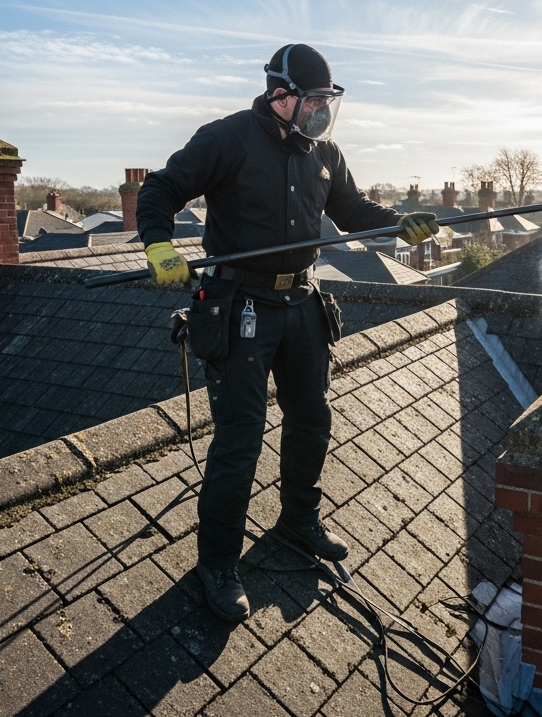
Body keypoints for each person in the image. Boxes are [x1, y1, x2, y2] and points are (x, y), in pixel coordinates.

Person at [135, 44, 439, 623]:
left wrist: (400, 224)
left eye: (328, 100)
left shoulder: (325, 152)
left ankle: (299, 522)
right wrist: (158, 243)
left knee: (312, 418)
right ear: (281, 94)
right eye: (314, 99)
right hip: (240, 305)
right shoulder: (225, 139)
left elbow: (352, 210)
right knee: (240, 438)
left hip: (302, 301)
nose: (322, 110)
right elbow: (160, 190)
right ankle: (217, 563)